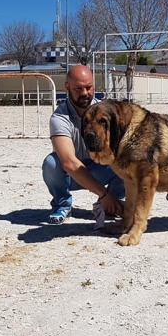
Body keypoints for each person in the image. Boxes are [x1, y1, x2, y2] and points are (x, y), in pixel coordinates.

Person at [42, 65, 125, 225]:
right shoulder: (59, 118)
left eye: (88, 87)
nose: (85, 93)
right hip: (71, 175)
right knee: (51, 164)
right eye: (78, 89)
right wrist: (103, 193)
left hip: (101, 169)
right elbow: (69, 162)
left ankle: (111, 204)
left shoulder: (108, 112)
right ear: (67, 87)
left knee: (127, 158)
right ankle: (62, 204)